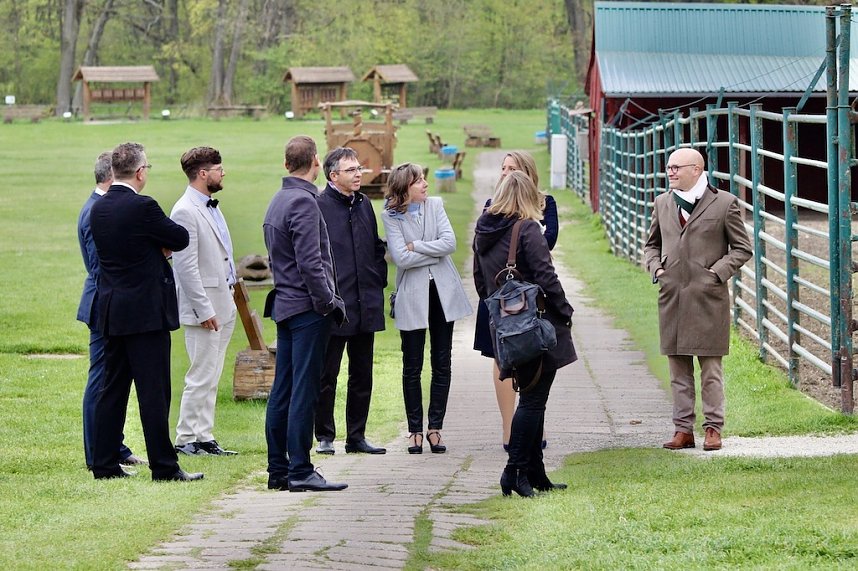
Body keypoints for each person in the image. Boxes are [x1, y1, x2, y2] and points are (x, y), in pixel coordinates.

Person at [89, 142, 202, 482]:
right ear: (140, 173)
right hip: (146, 313)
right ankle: (164, 467)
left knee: (113, 389)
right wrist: (156, 247)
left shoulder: (100, 207)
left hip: (112, 309)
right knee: (154, 392)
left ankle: (104, 463)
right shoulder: (143, 207)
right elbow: (179, 237)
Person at [473, 170, 576, 497]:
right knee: (533, 401)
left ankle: (535, 471)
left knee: (534, 399)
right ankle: (514, 471)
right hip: (535, 322)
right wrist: (564, 310)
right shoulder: (527, 228)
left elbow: (480, 280)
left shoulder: (484, 230)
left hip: (505, 326)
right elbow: (547, 276)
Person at [644, 148, 752, 452]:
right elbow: (651, 245)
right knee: (678, 370)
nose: (671, 172)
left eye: (676, 167)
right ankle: (683, 430)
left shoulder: (725, 203)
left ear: (696, 169)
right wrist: (658, 269)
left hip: (708, 300)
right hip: (672, 299)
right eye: (669, 167)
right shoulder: (663, 203)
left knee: (711, 370)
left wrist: (715, 273)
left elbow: (742, 249)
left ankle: (713, 428)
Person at [263, 135, 348, 492]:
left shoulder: (278, 200)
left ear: (286, 164)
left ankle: (278, 470)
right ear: (316, 162)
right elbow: (311, 262)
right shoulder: (303, 202)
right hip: (307, 308)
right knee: (302, 389)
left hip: (286, 304)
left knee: (282, 389)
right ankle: (299, 468)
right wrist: (328, 302)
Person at [381, 163, 472, 455]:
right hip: (412, 296)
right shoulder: (391, 215)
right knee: (412, 365)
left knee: (442, 362)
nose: (425, 184)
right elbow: (400, 259)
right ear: (404, 187)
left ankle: (435, 428)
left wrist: (416, 245)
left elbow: (450, 243)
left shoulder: (436, 205)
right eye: (418, 181)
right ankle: (414, 431)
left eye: (424, 179)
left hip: (443, 293)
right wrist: (423, 251)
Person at [473, 151, 558, 451]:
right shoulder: (490, 208)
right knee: (501, 359)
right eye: (503, 168)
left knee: (535, 359)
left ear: (527, 173)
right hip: (499, 298)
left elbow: (548, 243)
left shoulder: (545, 204)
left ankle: (533, 426)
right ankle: (509, 429)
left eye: (513, 168)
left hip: (532, 295)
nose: (506, 173)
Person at [314, 147, 388, 456]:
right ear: (333, 176)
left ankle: (356, 436)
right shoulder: (318, 205)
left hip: (365, 301)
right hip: (335, 305)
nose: (359, 174)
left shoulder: (364, 204)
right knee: (326, 375)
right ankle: (325, 436)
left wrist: (377, 278)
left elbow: (374, 245)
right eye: (351, 170)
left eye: (359, 168)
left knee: (362, 373)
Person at [76, 151, 146, 470]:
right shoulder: (95, 211)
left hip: (112, 302)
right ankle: (97, 454)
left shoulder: (102, 207)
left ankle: (114, 447)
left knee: (114, 380)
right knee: (102, 381)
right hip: (103, 305)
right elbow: (98, 265)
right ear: (110, 177)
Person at [170, 147, 238, 456]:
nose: (223, 173)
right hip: (204, 308)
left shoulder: (211, 206)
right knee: (200, 375)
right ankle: (185, 438)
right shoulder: (185, 210)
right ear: (202, 174)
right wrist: (203, 310)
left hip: (224, 301)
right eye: (218, 169)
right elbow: (185, 267)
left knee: (213, 374)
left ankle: (204, 435)